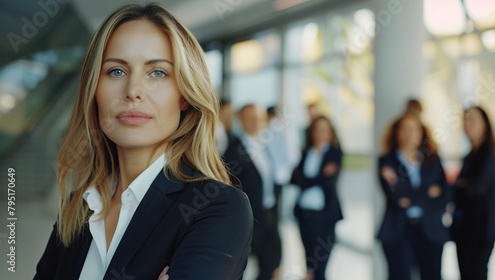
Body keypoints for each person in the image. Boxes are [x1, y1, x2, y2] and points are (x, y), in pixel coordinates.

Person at [34, 4, 253, 280]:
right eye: (116, 71)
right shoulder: (78, 207)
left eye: (158, 73)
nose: (133, 91)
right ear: (94, 90)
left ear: (185, 95)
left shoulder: (217, 209)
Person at [378, 114, 450, 280]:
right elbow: (395, 196)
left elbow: (445, 194)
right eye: (405, 129)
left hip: (430, 229)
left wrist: (408, 196)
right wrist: (428, 192)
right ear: (397, 133)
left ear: (421, 133)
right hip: (398, 230)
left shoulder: (432, 159)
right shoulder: (387, 161)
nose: (410, 133)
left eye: (414, 129)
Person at [224, 104, 282, 280]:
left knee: (272, 262)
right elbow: (230, 187)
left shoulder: (264, 145)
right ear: (241, 121)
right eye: (250, 118)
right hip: (250, 217)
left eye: (259, 118)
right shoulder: (234, 152)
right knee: (242, 265)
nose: (256, 122)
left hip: (269, 213)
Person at [290, 116, 343, 280]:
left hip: (325, 216)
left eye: (325, 129)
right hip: (304, 214)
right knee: (309, 264)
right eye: (318, 129)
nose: (321, 133)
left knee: (320, 265)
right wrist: (318, 176)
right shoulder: (306, 152)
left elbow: (327, 181)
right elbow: (294, 179)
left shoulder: (335, 154)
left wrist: (308, 180)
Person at [450, 106, 495, 280]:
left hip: (481, 231)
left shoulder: (488, 155)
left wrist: (461, 185)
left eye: (472, 120)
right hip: (465, 230)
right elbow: (462, 190)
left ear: (485, 124)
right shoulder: (469, 157)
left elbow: (475, 188)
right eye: (465, 120)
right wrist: (461, 185)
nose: (467, 124)